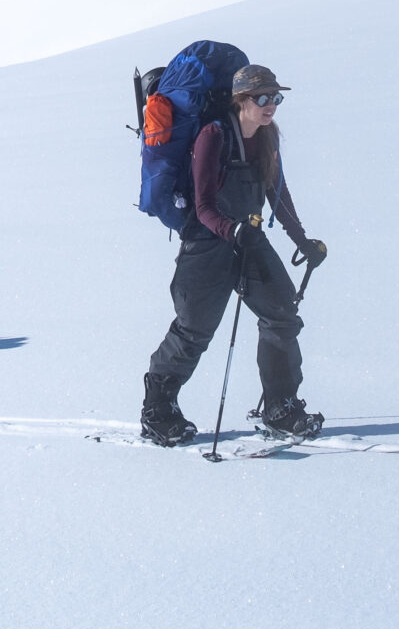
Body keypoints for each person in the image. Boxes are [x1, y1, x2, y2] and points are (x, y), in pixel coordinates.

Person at [141, 64, 329, 445]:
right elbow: (204, 203)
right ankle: (158, 410)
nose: (271, 105)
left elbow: (279, 194)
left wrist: (302, 240)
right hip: (207, 244)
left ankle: (280, 407)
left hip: (249, 238)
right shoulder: (213, 136)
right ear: (241, 100)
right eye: (262, 98)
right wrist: (233, 230)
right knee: (193, 330)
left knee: (281, 314)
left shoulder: (266, 138)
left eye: (276, 97)